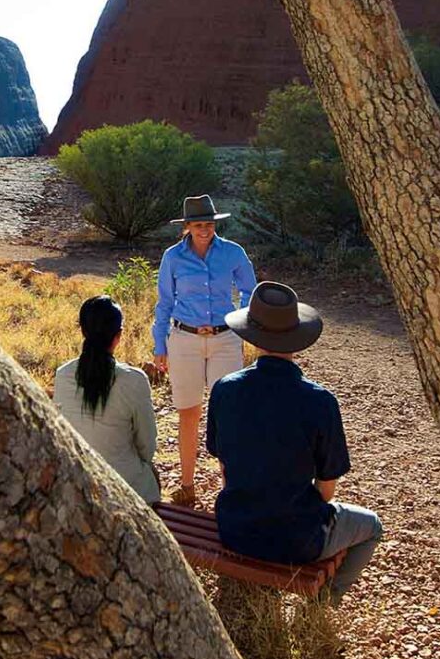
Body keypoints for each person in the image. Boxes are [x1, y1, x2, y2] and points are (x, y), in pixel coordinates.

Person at [207, 281, 382, 605]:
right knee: (372, 526)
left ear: (251, 335)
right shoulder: (320, 401)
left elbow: (225, 467)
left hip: (235, 529)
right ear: (297, 340)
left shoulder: (224, 389)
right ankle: (322, 606)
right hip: (298, 540)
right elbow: (327, 488)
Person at [152, 194, 257, 506]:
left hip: (226, 339)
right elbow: (165, 302)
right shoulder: (173, 257)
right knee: (189, 412)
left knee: (227, 413)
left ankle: (230, 489)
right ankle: (187, 486)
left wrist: (243, 320)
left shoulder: (233, 252)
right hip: (184, 339)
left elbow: (250, 289)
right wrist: (160, 345)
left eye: (209, 224)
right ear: (187, 227)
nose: (205, 230)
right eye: (198, 225)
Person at [54, 295, 160, 504]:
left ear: (82, 331)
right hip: (127, 490)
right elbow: (147, 446)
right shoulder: (134, 380)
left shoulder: (63, 375)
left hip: (79, 488)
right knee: (151, 477)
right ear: (118, 336)